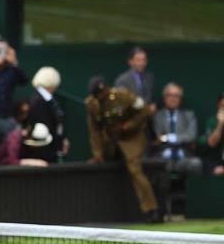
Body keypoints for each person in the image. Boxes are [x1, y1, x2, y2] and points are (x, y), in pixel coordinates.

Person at [85, 76, 160, 223]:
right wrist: (98, 154)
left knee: (134, 169)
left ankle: (152, 210)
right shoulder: (92, 104)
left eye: (100, 94)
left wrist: (128, 126)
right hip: (111, 140)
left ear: (105, 89)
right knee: (99, 165)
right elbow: (94, 131)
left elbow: (145, 111)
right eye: (96, 95)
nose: (99, 98)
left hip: (132, 138)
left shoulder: (124, 96)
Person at [151, 82, 202, 175]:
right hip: (162, 156)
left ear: (180, 98)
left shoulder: (189, 115)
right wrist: (180, 138)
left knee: (196, 163)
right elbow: (156, 137)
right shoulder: (156, 116)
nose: (173, 98)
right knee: (156, 164)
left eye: (177, 96)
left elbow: (191, 136)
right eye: (170, 95)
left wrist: (167, 138)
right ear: (164, 97)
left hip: (184, 156)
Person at [27, 66, 66, 164]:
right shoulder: (38, 100)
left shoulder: (47, 99)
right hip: (43, 152)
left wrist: (61, 141)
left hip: (51, 149)